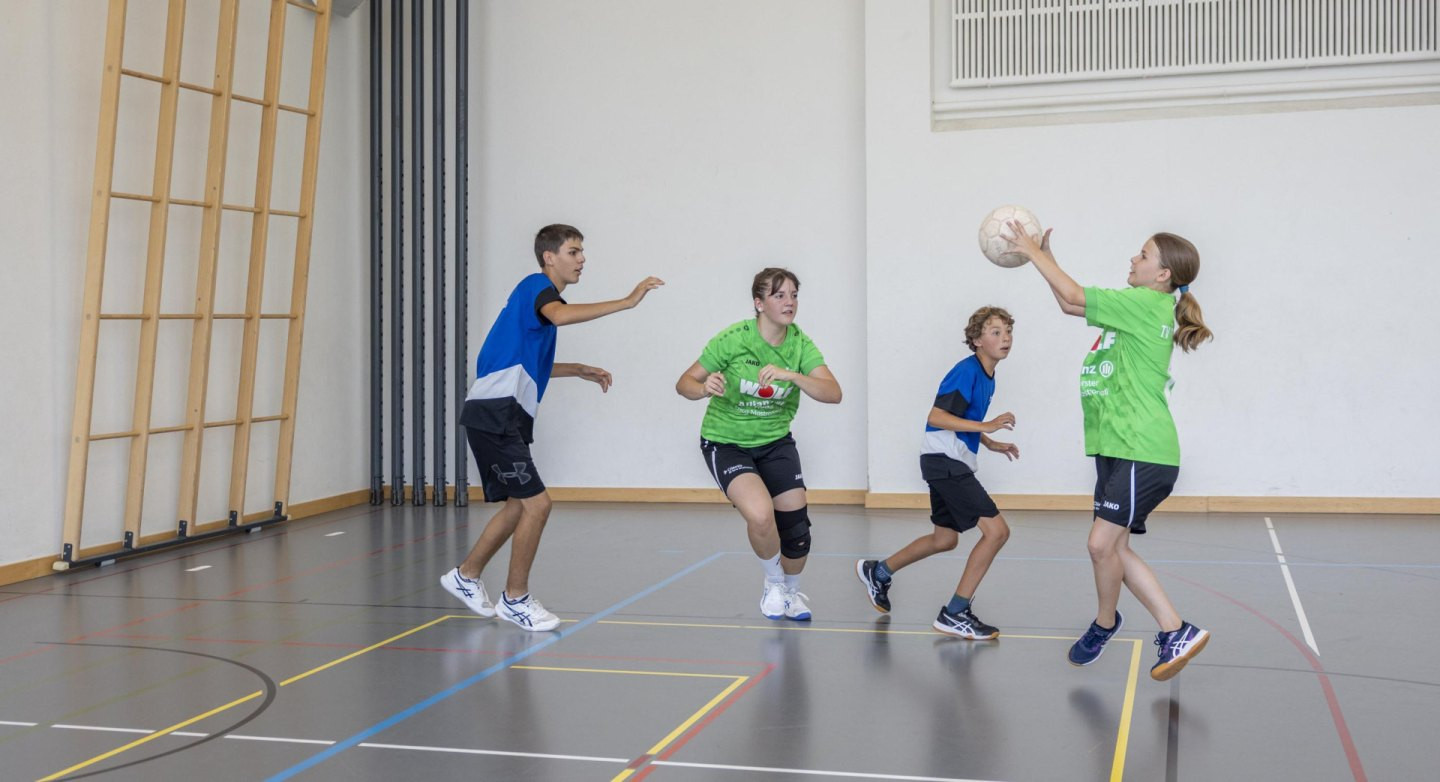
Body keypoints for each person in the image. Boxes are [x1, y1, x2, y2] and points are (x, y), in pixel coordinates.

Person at [1006, 223, 1213, 680]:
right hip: (1118, 448)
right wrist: (1043, 258)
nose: (1133, 260)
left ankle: (1171, 627)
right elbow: (1068, 303)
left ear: (1163, 275)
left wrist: (1029, 251)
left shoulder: (1147, 304)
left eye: (1142, 255)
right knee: (1110, 550)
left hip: (1143, 449)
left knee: (1101, 543)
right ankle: (1113, 623)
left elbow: (1075, 294)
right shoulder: (1135, 308)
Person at [440, 224, 663, 631]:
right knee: (538, 504)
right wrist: (628, 302)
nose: (582, 260)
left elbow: (529, 362)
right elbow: (559, 314)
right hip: (495, 414)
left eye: (582, 253)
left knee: (518, 506)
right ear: (549, 257)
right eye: (574, 252)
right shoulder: (535, 287)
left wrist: (577, 369)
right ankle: (516, 598)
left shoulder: (537, 314)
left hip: (505, 415)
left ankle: (466, 575)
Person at [676, 268, 842, 621]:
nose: (789, 302)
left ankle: (792, 594)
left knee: (797, 533)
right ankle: (773, 584)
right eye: (779, 295)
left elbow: (833, 393)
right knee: (761, 514)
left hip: (775, 442)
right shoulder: (734, 339)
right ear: (759, 303)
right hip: (726, 442)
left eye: (794, 295)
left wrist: (793, 375)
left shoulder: (800, 344)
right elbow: (685, 383)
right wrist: (703, 388)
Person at [856, 307, 1019, 639]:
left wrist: (987, 441)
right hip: (945, 462)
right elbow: (938, 416)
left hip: (943, 460)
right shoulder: (967, 371)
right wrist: (986, 425)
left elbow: (960, 418)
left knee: (944, 538)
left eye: (1007, 332)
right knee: (997, 532)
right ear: (976, 340)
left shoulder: (987, 374)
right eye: (995, 332)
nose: (1005, 338)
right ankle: (955, 612)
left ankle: (879, 571)